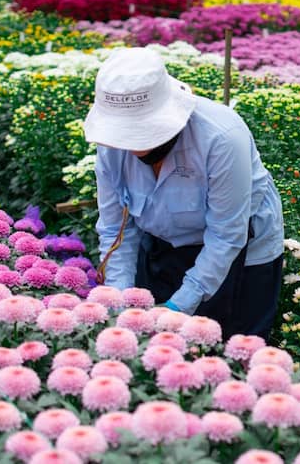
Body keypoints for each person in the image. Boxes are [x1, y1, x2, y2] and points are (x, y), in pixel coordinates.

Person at [84, 49, 285, 341]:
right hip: (166, 240)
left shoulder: (222, 137)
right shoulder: (111, 147)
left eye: (140, 133)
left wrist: (180, 306)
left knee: (233, 347)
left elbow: (227, 236)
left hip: (241, 246)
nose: (131, 145)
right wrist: (121, 302)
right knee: (160, 346)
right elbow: (117, 230)